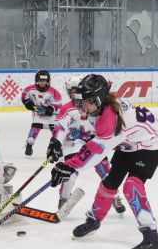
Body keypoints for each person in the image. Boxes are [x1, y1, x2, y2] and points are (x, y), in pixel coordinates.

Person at [49, 74, 158, 249]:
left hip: (149, 144)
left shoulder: (111, 117)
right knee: (109, 184)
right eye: (81, 101)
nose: (82, 106)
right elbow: (97, 138)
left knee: (132, 185)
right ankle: (93, 221)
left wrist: (69, 165)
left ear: (98, 98)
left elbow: (96, 151)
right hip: (128, 144)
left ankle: (152, 237)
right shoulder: (101, 108)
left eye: (87, 101)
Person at [47, 74, 126, 214]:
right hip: (73, 144)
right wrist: (56, 141)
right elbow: (60, 126)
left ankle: (114, 196)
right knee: (70, 173)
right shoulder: (67, 108)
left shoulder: (95, 105)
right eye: (71, 91)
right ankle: (64, 198)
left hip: (94, 142)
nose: (74, 95)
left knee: (105, 171)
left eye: (76, 91)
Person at [21, 69, 62, 157]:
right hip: (38, 113)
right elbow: (24, 95)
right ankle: (29, 144)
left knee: (55, 129)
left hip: (50, 115)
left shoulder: (53, 92)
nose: (42, 82)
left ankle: (56, 147)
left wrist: (51, 108)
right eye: (40, 80)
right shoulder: (30, 89)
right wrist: (27, 102)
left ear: (47, 81)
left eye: (44, 80)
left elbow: (59, 103)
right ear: (37, 80)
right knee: (35, 126)